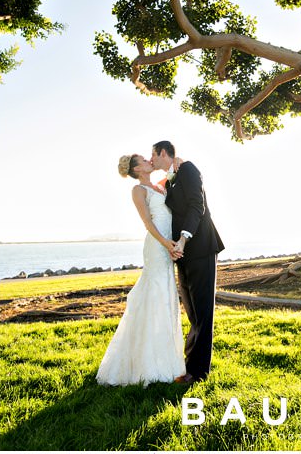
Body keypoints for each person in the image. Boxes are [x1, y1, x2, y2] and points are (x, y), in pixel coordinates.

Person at [96, 155, 185, 386]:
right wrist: (166, 243)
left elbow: (174, 180)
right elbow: (147, 222)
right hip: (157, 246)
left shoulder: (160, 185)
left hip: (170, 243)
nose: (149, 160)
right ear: (137, 169)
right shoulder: (138, 190)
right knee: (154, 295)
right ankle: (146, 364)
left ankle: (167, 358)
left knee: (166, 295)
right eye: (145, 160)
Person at [151, 140, 224, 384]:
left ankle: (198, 372)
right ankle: (189, 363)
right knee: (192, 311)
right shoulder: (171, 178)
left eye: (154, 155)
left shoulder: (189, 169)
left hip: (200, 246)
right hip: (182, 253)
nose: (152, 160)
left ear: (164, 152)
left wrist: (183, 239)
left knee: (203, 311)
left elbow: (197, 206)